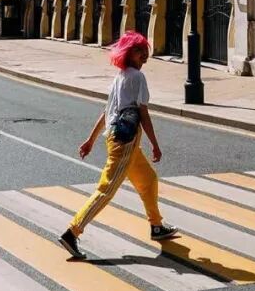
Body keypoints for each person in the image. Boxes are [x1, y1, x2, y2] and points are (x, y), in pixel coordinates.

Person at [58, 31, 178, 259]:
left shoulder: (120, 77)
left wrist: (91, 140)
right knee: (106, 190)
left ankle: (156, 226)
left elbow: (107, 112)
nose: (144, 55)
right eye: (138, 51)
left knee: (148, 179)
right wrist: (155, 144)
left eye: (145, 51)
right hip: (125, 142)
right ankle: (72, 233)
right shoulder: (137, 78)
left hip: (119, 140)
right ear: (128, 53)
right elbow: (143, 113)